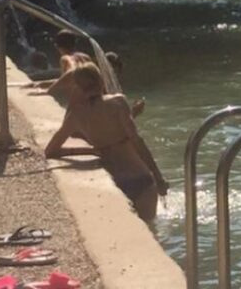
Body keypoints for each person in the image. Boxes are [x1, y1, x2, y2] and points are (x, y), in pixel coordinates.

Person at [44, 63, 168, 221]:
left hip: (114, 183)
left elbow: (50, 151)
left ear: (79, 87)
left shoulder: (76, 115)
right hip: (140, 178)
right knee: (150, 235)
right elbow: (138, 141)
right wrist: (159, 177)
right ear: (101, 80)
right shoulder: (118, 102)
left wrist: (89, 151)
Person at [105, 51, 145, 117]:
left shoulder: (114, 91)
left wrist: (133, 109)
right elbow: (116, 124)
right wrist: (135, 112)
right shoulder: (105, 93)